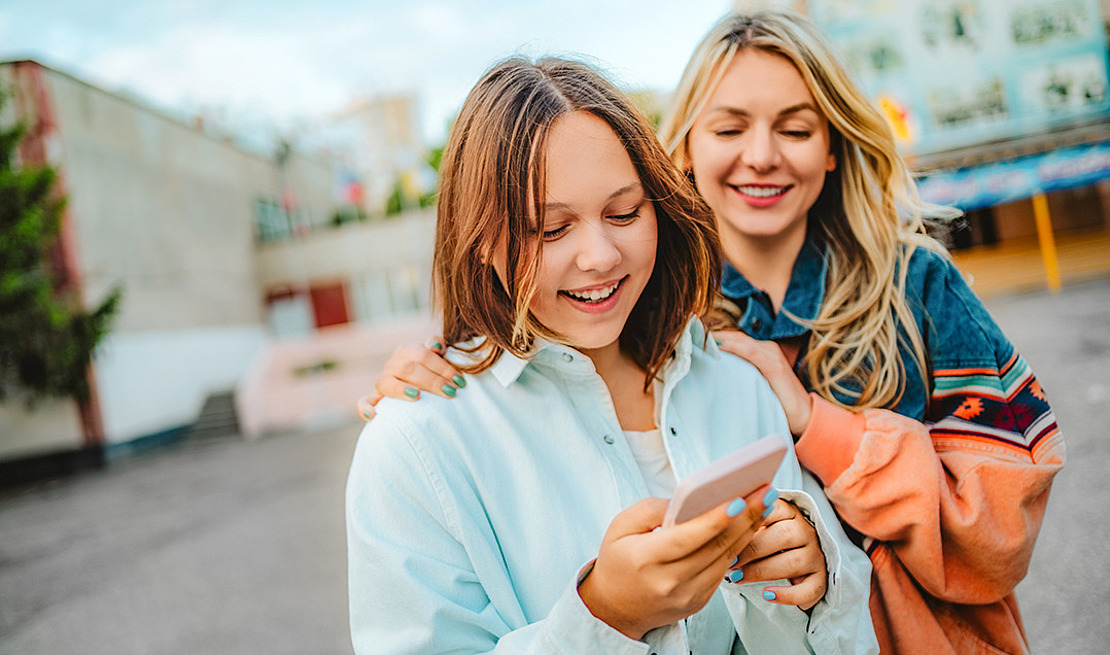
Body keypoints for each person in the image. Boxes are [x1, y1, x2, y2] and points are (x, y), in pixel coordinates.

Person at [356, 10, 1065, 655]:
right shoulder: (667, 317)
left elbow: (998, 531)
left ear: (834, 144)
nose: (761, 154)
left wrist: (811, 425)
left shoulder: (915, 287)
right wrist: (433, 378)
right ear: (684, 150)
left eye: (795, 127)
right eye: (729, 128)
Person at [345, 56, 877, 654]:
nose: (599, 255)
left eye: (624, 212)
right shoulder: (414, 444)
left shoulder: (736, 384)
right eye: (549, 229)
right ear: (480, 240)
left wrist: (816, 575)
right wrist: (604, 616)